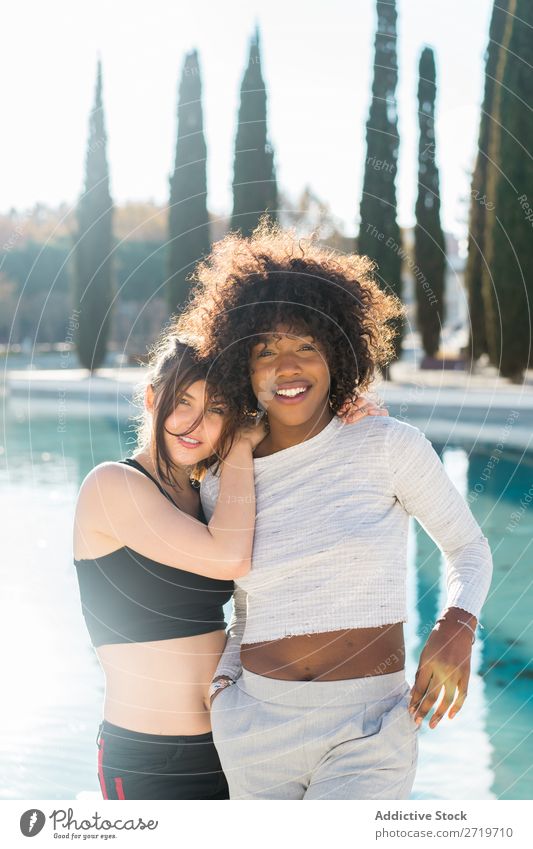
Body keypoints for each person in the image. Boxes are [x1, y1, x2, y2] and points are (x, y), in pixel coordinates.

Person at [176, 221, 494, 800]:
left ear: (338, 351)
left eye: (306, 345)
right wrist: (225, 688)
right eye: (264, 349)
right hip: (254, 727)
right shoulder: (225, 476)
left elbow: (468, 548)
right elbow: (241, 603)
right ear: (241, 364)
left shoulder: (386, 445)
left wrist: (457, 626)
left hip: (366, 733)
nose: (286, 367)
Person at [73, 329, 383, 800]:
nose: (195, 425)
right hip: (153, 757)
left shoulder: (209, 496)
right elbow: (229, 558)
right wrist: (239, 445)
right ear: (152, 398)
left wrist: (340, 417)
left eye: (216, 409)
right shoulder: (112, 486)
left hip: (235, 741)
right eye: (183, 402)